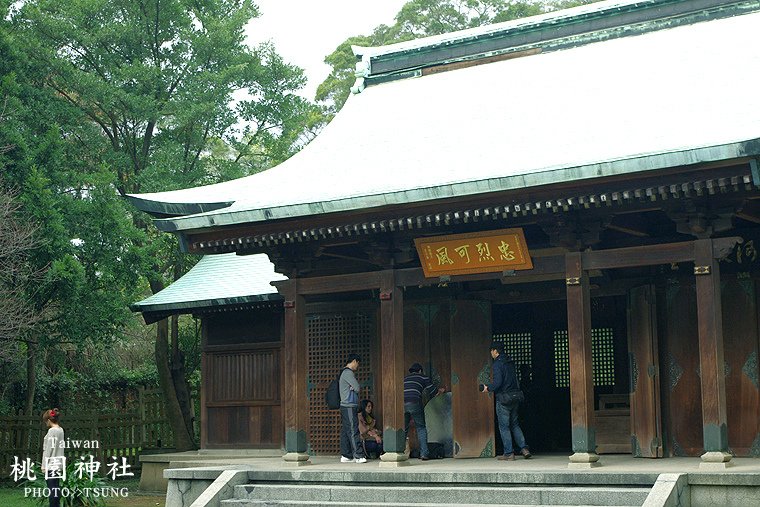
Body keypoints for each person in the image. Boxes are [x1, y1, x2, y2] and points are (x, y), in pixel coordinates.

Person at [482, 342, 531, 461]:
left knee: (504, 426)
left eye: (491, 351)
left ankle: (509, 453)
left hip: (504, 399)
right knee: (515, 424)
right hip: (515, 397)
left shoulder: (497, 364)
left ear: (495, 351)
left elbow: (498, 383)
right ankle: (524, 448)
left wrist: (487, 388)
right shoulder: (510, 363)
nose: (491, 354)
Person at [403, 362, 444, 460]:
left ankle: (400, 452)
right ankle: (424, 453)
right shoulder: (423, 377)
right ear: (420, 371)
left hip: (402, 404)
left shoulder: (405, 379)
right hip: (415, 402)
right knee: (421, 427)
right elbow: (433, 392)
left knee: (404, 429)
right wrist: (440, 391)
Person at [339, 354, 367, 464]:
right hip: (349, 405)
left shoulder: (343, 373)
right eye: (358, 363)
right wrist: (352, 388)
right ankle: (358, 455)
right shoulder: (348, 373)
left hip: (345, 405)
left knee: (346, 431)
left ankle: (346, 455)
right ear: (354, 361)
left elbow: (353, 388)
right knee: (353, 429)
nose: (358, 366)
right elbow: (357, 387)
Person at [41, 408, 65, 507]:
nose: (46, 423)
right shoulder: (61, 430)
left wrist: (44, 466)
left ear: (49, 420)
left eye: (46, 421)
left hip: (51, 465)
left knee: (51, 489)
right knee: (56, 488)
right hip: (58, 464)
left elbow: (48, 450)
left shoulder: (52, 431)